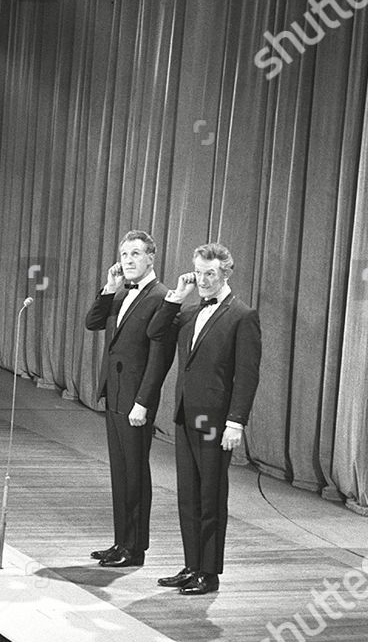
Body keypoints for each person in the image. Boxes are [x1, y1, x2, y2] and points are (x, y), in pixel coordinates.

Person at [147, 242, 261, 595]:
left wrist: (235, 422)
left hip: (215, 421)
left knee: (210, 496)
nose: (203, 280)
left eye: (209, 273)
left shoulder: (243, 315)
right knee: (188, 495)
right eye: (198, 273)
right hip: (187, 415)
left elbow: (246, 375)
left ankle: (208, 573)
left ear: (225, 273)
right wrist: (177, 296)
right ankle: (191, 564)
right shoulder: (191, 311)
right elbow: (154, 331)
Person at [83, 230, 175, 568]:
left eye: (136, 254)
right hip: (115, 394)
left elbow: (159, 359)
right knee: (121, 473)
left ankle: (135, 549)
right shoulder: (121, 294)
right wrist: (109, 288)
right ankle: (121, 541)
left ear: (151, 257)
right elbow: (93, 321)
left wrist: (144, 402)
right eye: (124, 255)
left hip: (136, 401)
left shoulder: (163, 297)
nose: (129, 261)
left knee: (135, 473)